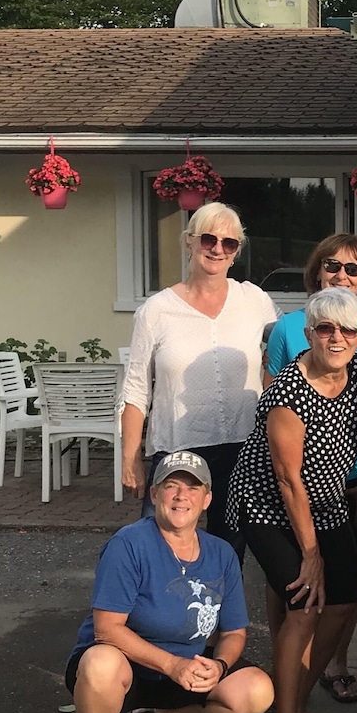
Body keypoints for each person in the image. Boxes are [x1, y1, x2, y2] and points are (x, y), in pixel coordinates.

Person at [66, 451, 274, 713]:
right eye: (171, 486)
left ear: (207, 499)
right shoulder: (128, 544)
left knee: (257, 691)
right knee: (100, 663)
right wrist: (172, 665)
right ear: (154, 494)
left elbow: (234, 632)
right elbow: (107, 630)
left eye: (193, 488)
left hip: (184, 667)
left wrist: (220, 665)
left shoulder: (221, 552)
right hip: (127, 665)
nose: (181, 496)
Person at [227, 288, 357, 713]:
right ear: (309, 334)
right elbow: (288, 481)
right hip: (268, 504)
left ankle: (295, 702)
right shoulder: (286, 393)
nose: (336, 338)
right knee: (305, 605)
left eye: (347, 330)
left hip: (326, 500)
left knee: (345, 601)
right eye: (325, 328)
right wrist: (311, 553)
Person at [265, 232, 357, 704]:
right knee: (295, 592)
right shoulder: (288, 330)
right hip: (286, 483)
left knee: (342, 586)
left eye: (353, 268)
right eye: (333, 265)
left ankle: (325, 671)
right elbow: (275, 408)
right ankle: (285, 685)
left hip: (346, 481)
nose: (342, 274)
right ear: (317, 270)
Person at [121, 202, 280, 562]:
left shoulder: (254, 300)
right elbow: (135, 388)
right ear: (189, 242)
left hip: (242, 447)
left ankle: (219, 603)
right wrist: (130, 458)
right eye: (209, 239)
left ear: (237, 252)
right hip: (178, 448)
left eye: (229, 243)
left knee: (228, 552)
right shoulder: (156, 310)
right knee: (160, 550)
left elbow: (291, 341)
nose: (217, 249)